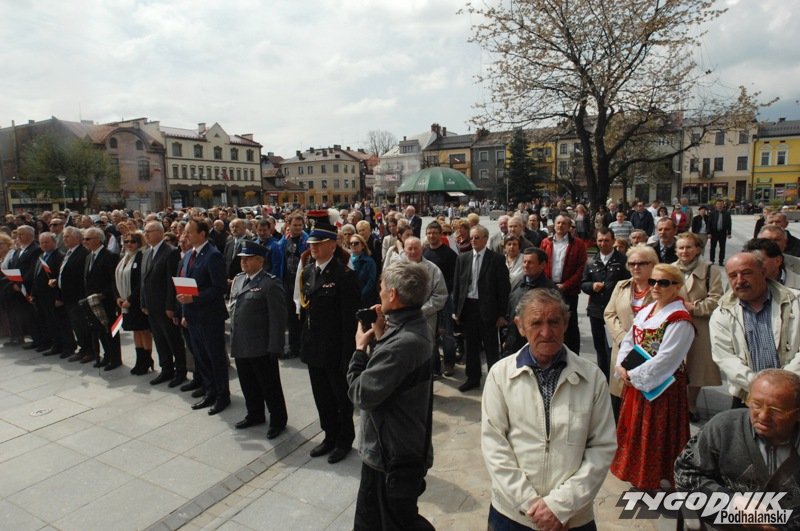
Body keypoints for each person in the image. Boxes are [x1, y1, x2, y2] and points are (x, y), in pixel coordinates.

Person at [482, 288, 617, 531]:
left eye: (554, 322)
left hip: (573, 518)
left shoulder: (592, 378)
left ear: (566, 324)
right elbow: (494, 445)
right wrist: (531, 505)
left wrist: (559, 506)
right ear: (520, 326)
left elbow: (602, 447)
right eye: (536, 323)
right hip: (513, 515)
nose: (546, 332)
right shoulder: (500, 375)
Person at [348, 261, 434, 531]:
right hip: (397, 449)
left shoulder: (404, 343)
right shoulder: (414, 327)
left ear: (393, 294)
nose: (380, 293)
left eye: (382, 288)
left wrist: (360, 350)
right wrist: (381, 333)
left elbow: (361, 393)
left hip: (390, 457)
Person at [674, 369, 800, 527]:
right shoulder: (723, 427)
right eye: (756, 405)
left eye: (775, 411)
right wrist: (731, 502)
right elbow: (685, 473)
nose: (763, 416)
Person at [611, 263, 695, 489]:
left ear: (676, 286)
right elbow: (629, 340)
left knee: (658, 434)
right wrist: (622, 366)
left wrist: (634, 375)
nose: (656, 287)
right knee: (636, 431)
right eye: (653, 281)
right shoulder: (648, 310)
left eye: (663, 283)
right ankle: (639, 476)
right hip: (637, 381)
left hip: (662, 387)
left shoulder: (680, 319)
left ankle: (658, 479)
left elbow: (667, 359)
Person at [299, 212, 360, 464]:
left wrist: (348, 355)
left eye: (319, 243)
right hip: (314, 347)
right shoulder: (308, 272)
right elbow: (306, 311)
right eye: (311, 244)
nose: (313, 248)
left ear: (332, 246)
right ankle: (329, 435)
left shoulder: (344, 276)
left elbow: (349, 321)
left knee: (340, 399)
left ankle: (344, 440)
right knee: (321, 397)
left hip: (335, 350)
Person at [710, 252, 800, 407]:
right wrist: (760, 387)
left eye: (747, 273)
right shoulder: (722, 313)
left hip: (794, 394)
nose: (740, 280)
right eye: (733, 275)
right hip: (748, 397)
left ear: (763, 272)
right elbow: (724, 357)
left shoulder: (795, 302)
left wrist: (783, 384)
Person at [229, 241, 288, 439]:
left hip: (261, 346)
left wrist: (275, 346)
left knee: (269, 386)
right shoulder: (239, 280)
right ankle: (254, 414)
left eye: (248, 259)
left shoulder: (270, 283)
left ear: (260, 261)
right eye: (242, 259)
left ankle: (278, 420)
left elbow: (278, 318)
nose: (243, 262)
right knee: (248, 383)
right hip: (241, 342)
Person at [178, 218, 230, 415]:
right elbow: (185, 285)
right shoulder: (188, 256)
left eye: (189, 232)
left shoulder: (213, 255)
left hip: (210, 317)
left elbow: (219, 288)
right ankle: (210, 391)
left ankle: (222, 395)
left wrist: (194, 298)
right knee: (200, 357)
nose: (186, 235)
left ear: (202, 234)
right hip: (193, 316)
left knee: (215, 357)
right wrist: (185, 311)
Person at [452, 225, 510, 392]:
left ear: (485, 239)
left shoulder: (496, 259)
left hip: (488, 309)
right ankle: (473, 378)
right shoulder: (463, 258)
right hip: (469, 307)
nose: (473, 240)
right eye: (471, 238)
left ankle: (495, 382)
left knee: (491, 347)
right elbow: (458, 285)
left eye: (477, 237)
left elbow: (503, 289)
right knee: (471, 346)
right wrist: (456, 310)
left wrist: (502, 314)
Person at [673, 232, 723, 421]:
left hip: (700, 326)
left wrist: (694, 307)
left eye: (689, 247)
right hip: (675, 325)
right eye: (681, 247)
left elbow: (717, 299)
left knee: (696, 368)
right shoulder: (669, 269)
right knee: (675, 366)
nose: (684, 251)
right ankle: (675, 404)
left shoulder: (711, 271)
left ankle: (691, 405)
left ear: (697, 249)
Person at [604, 245, 657, 415]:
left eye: (641, 263)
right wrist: (621, 337)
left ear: (653, 264)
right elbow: (609, 313)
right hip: (622, 349)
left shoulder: (661, 288)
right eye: (632, 263)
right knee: (619, 398)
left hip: (649, 352)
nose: (636, 267)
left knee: (643, 402)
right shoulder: (622, 286)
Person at [580, 228, 630, 382]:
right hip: (596, 311)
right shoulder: (591, 261)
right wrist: (592, 286)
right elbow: (583, 283)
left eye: (606, 240)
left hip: (616, 313)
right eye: (600, 240)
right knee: (600, 348)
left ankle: (616, 380)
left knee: (615, 349)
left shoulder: (623, 261)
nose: (603, 244)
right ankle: (603, 380)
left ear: (613, 241)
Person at [140, 221, 186, 386]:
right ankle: (166, 369)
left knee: (173, 340)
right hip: (151, 306)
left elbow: (171, 282)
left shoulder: (170, 252)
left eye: (149, 231)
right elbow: (143, 281)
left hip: (164, 306)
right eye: (145, 231)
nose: (146, 234)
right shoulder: (146, 252)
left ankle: (180, 371)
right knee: (159, 340)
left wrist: (170, 306)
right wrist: (143, 302)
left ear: (160, 232)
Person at [540, 214, 587, 354]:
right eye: (558, 223)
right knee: (550, 322)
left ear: (569, 226)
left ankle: (573, 356)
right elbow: (540, 264)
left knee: (570, 325)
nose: (560, 226)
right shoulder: (545, 243)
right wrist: (548, 285)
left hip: (569, 291)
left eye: (564, 223)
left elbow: (581, 269)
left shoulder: (578, 244)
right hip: (549, 290)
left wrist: (566, 285)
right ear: (554, 225)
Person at [503, 247, 557, 356]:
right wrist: (507, 338)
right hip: (514, 345)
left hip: (536, 347)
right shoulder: (518, 284)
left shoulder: (550, 291)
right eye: (524, 262)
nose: (526, 265)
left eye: (530, 263)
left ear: (542, 265)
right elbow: (510, 313)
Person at [82, 227, 122, 370]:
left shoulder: (109, 256)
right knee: (99, 330)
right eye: (84, 239)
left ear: (98, 240)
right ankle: (107, 355)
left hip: (106, 300)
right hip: (93, 301)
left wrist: (105, 294)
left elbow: (113, 280)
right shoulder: (89, 256)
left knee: (110, 330)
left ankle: (115, 358)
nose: (85, 242)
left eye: (88, 239)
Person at [423, 221, 458, 377]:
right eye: (429, 233)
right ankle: (435, 366)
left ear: (440, 234)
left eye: (435, 233)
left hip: (445, 300)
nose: (432, 236)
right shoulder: (424, 253)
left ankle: (449, 363)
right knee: (431, 335)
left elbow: (455, 277)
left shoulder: (450, 254)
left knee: (447, 334)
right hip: (429, 300)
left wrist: (445, 291)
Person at [114, 231, 152, 374]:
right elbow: (116, 279)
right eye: (126, 241)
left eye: (133, 241)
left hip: (136, 301)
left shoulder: (142, 257)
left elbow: (141, 282)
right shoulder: (123, 258)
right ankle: (139, 359)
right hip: (124, 301)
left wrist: (130, 299)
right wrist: (118, 297)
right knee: (136, 330)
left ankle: (147, 360)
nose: (129, 244)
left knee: (143, 330)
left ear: (139, 243)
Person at [56, 227, 90, 361]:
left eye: (67, 236)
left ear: (77, 238)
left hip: (77, 296)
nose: (64, 239)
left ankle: (89, 350)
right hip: (67, 296)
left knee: (82, 325)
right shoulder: (68, 252)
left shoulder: (83, 253)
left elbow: (81, 277)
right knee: (76, 325)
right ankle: (82, 348)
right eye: (64, 237)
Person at [348, 233, 378, 306]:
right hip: (349, 299)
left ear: (363, 245)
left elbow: (371, 282)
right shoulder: (346, 261)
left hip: (364, 299)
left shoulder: (369, 262)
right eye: (351, 243)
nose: (353, 245)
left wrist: (360, 295)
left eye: (356, 243)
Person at [708, 199, 732, 266]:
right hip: (714, 233)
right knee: (713, 247)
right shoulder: (712, 213)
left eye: (721, 204)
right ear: (716, 205)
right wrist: (709, 233)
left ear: (723, 205)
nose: (720, 205)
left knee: (722, 248)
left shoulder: (727, 213)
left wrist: (729, 233)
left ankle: (721, 261)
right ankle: (712, 260)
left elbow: (729, 223)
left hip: (722, 233)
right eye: (718, 204)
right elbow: (709, 223)